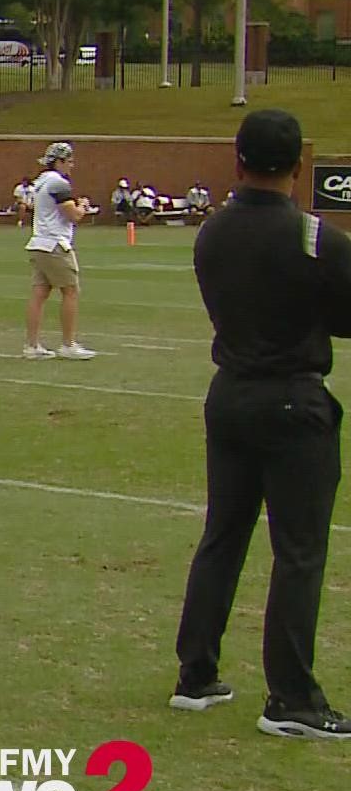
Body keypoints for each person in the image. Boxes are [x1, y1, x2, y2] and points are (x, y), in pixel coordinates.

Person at [169, 109, 351, 740]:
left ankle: (195, 673)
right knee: (299, 550)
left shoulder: (211, 233)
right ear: (300, 165)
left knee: (223, 533)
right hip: (293, 400)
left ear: (237, 159)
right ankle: (292, 696)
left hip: (231, 394)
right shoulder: (314, 236)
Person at [23, 141, 96, 360]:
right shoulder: (58, 183)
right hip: (55, 244)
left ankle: (32, 345)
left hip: (39, 242)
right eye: (69, 161)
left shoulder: (41, 182)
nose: (72, 166)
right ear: (60, 161)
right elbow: (73, 215)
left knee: (39, 293)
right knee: (71, 291)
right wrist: (83, 206)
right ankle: (68, 344)